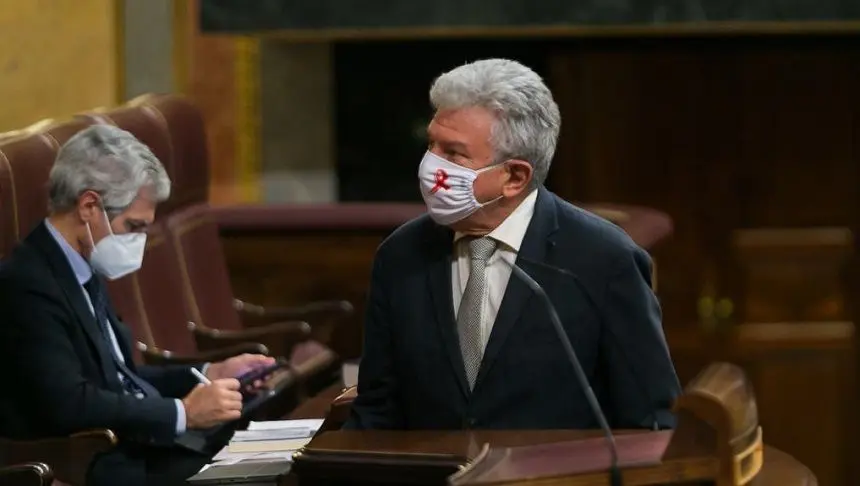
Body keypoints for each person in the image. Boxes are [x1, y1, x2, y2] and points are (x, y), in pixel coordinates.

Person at [346, 58, 681, 431]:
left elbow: (649, 420)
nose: (430, 166)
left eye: (453, 153)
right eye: (431, 144)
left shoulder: (602, 260)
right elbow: (376, 409)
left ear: (515, 177)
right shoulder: (400, 255)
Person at [0, 125, 275, 485]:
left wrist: (208, 372)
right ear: (88, 206)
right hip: (93, 465)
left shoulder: (80, 265)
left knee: (271, 458)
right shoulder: (27, 283)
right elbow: (70, 402)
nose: (140, 241)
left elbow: (118, 378)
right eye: (134, 226)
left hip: (135, 449)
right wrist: (182, 413)